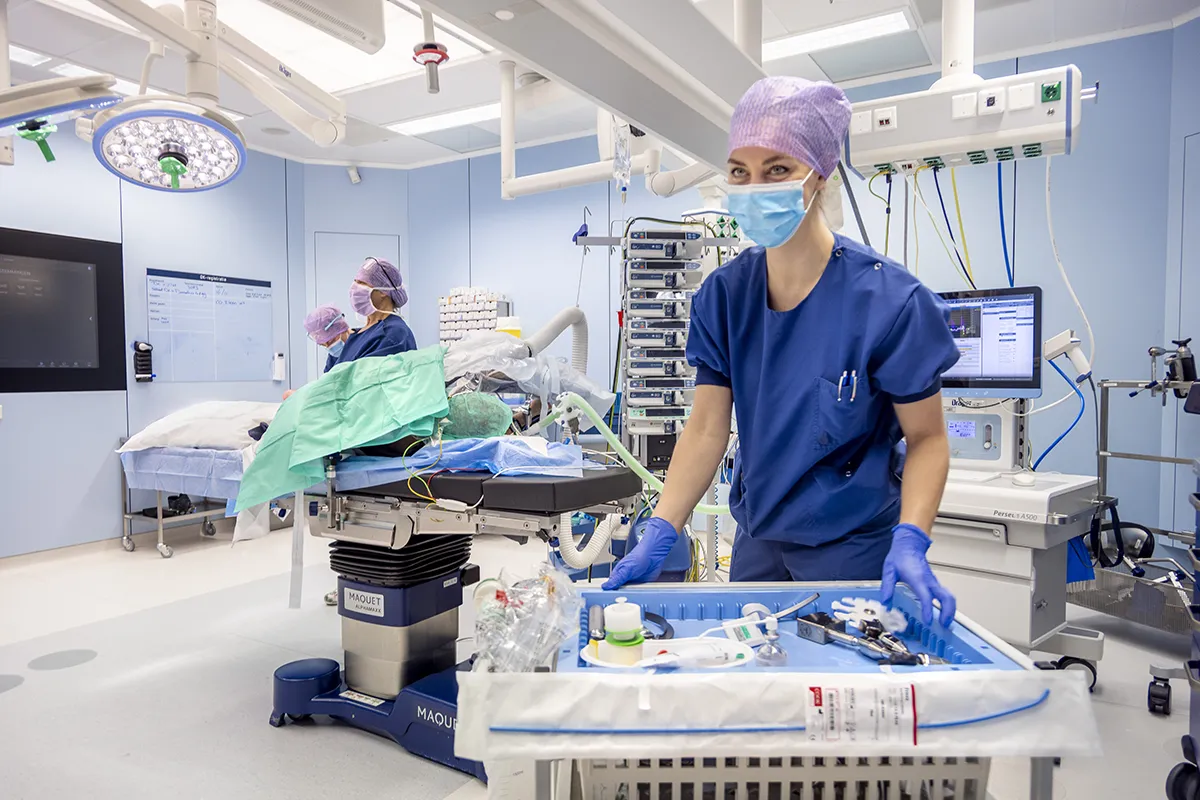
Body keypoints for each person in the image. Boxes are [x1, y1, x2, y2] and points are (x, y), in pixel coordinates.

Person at [602, 76, 961, 628]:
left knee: (838, 701)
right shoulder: (725, 296)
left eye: (777, 169)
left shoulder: (889, 301)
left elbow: (928, 439)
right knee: (759, 690)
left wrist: (911, 538)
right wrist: (662, 528)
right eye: (739, 172)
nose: (754, 187)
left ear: (819, 174)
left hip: (853, 549)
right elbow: (704, 430)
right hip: (759, 546)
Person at [332, 257, 417, 366]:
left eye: (361, 283)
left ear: (383, 291)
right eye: (355, 281)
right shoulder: (360, 333)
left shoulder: (392, 333)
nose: (354, 288)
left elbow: (364, 379)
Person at [283, 305, 353, 401]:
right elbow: (326, 384)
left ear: (340, 328)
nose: (329, 347)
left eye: (330, 341)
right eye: (323, 345)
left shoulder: (364, 345)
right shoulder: (334, 357)